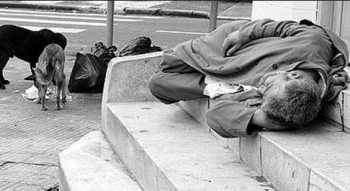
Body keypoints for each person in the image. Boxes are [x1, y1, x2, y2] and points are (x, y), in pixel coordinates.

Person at [148, 18, 349, 138]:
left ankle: (210, 85)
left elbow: (215, 116)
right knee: (170, 62)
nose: (262, 86)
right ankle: (210, 80)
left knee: (157, 84)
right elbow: (281, 27)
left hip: (225, 77)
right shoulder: (313, 42)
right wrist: (245, 34)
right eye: (268, 83)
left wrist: (262, 119)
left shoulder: (282, 100)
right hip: (230, 46)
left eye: (263, 91)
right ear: (293, 75)